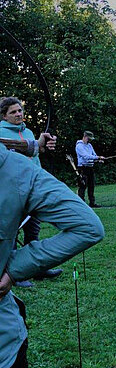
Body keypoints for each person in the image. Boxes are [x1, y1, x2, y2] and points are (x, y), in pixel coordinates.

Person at [0, 141, 105, 368]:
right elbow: (88, 228)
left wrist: (14, 268)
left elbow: (87, 227)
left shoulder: (19, 169)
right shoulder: (20, 168)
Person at [0, 97, 63, 287]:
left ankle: (37, 268)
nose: (19, 114)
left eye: (20, 110)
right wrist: (35, 146)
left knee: (33, 231)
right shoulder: (1, 133)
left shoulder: (27, 131)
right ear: (3, 116)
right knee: (11, 233)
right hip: (12, 191)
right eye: (13, 112)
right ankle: (12, 273)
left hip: (32, 189)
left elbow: (35, 156)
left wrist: (44, 148)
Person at [75, 130, 105, 208]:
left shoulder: (90, 145)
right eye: (89, 138)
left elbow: (93, 155)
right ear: (85, 137)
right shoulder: (79, 146)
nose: (90, 140)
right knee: (83, 186)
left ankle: (92, 203)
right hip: (82, 168)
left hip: (90, 168)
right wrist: (98, 157)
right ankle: (82, 203)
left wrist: (98, 159)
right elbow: (86, 156)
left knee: (91, 185)